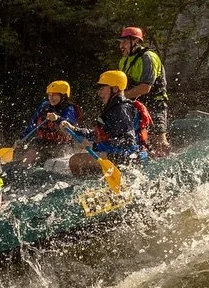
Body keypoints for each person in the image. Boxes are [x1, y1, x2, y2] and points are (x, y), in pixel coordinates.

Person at [60, 70, 146, 176]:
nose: (99, 93)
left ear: (115, 89)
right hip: (118, 154)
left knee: (76, 160)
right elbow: (98, 133)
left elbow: (128, 141)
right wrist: (74, 129)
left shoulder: (122, 110)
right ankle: (93, 183)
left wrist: (96, 142)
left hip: (127, 157)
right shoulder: (114, 109)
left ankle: (83, 184)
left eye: (102, 88)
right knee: (79, 158)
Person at [117, 26, 171, 157]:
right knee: (139, 137)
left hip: (155, 102)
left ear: (135, 41)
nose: (121, 46)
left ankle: (168, 161)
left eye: (124, 42)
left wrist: (121, 96)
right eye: (120, 42)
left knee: (159, 139)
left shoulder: (148, 58)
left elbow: (145, 88)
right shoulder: (124, 61)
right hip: (137, 103)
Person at [16, 80, 79, 165]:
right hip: (42, 142)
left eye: (54, 95)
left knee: (44, 160)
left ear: (63, 96)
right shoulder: (44, 106)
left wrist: (58, 119)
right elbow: (32, 124)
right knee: (26, 156)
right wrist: (22, 138)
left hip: (61, 145)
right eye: (49, 95)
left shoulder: (69, 109)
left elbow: (69, 124)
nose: (51, 98)